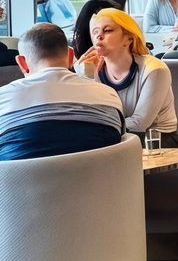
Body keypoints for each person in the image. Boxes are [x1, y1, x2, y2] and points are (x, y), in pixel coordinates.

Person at [0, 23, 124, 160]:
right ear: (71, 56)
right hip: (103, 180)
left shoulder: (3, 99)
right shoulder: (108, 96)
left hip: (20, 181)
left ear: (22, 62)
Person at [76, 8, 178, 147]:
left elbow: (140, 123)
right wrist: (86, 78)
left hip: (157, 140)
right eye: (95, 32)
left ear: (128, 39)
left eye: (107, 31)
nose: (99, 36)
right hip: (114, 136)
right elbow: (90, 117)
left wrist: (97, 129)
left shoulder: (155, 69)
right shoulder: (92, 70)